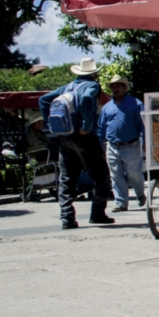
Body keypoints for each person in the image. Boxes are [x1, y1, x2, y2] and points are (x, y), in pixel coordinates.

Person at [40, 57, 114, 229]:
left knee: (67, 178)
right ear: (94, 73)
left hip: (65, 137)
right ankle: (97, 213)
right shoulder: (92, 86)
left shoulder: (67, 87)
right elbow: (88, 98)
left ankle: (67, 217)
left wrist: (50, 125)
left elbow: (43, 100)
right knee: (101, 175)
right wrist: (87, 126)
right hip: (84, 137)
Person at [97, 75, 146, 211]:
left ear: (125, 87)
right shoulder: (106, 108)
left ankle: (140, 193)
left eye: (118, 86)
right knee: (115, 174)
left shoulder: (135, 104)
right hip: (112, 145)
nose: (115, 89)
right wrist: (101, 144)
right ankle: (121, 202)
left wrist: (145, 141)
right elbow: (101, 127)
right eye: (113, 86)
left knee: (133, 173)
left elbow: (143, 124)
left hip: (131, 145)